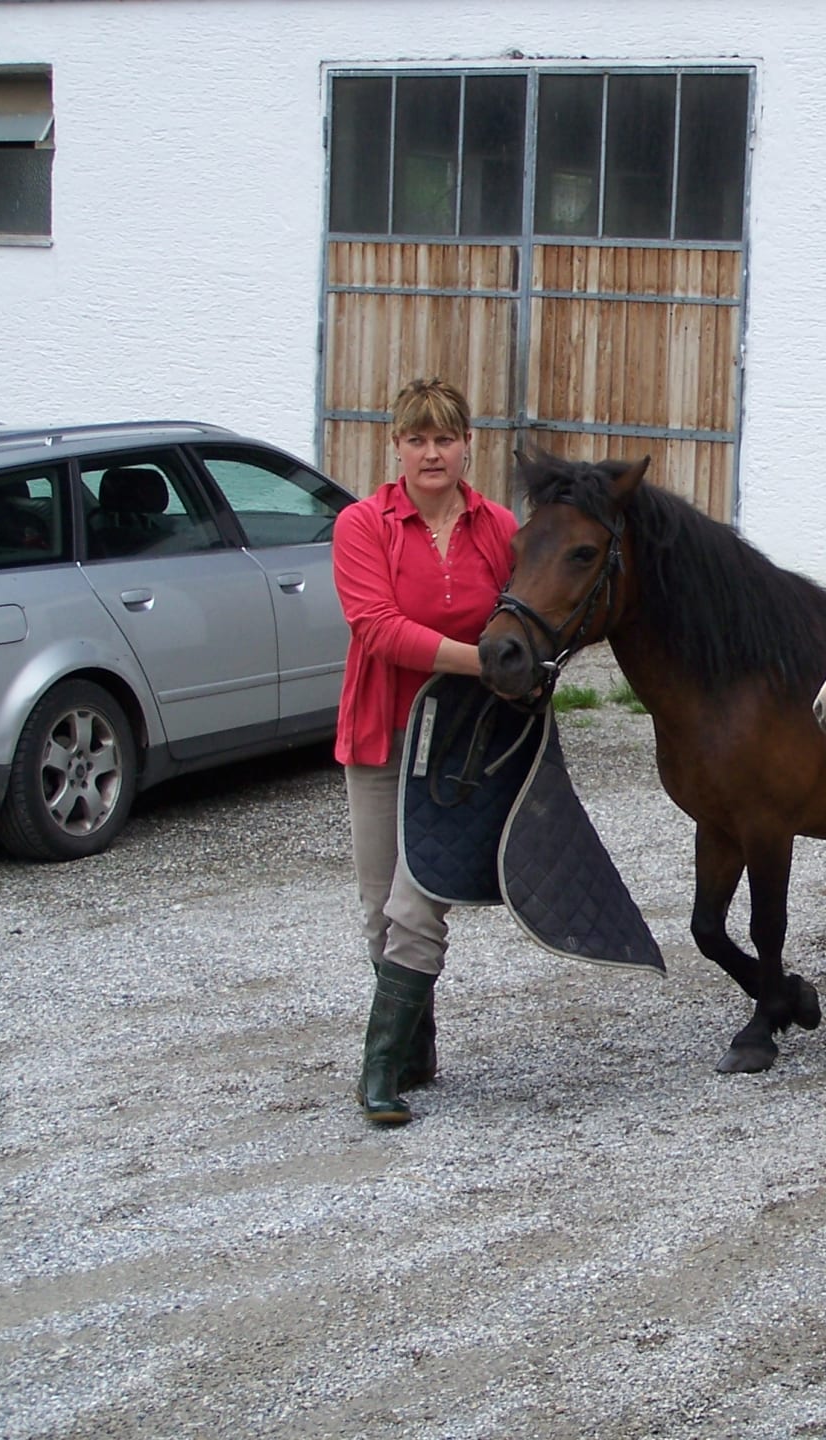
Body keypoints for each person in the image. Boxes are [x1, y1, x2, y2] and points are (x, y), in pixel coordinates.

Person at [332, 378, 519, 1126]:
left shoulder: (497, 527)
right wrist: (483, 662)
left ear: (469, 444)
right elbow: (376, 627)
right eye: (417, 439)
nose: (432, 453)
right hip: (382, 733)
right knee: (380, 910)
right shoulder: (362, 525)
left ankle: (376, 1072)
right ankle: (415, 1050)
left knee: (416, 905)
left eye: (445, 438)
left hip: (459, 745)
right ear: (397, 446)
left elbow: (524, 621)